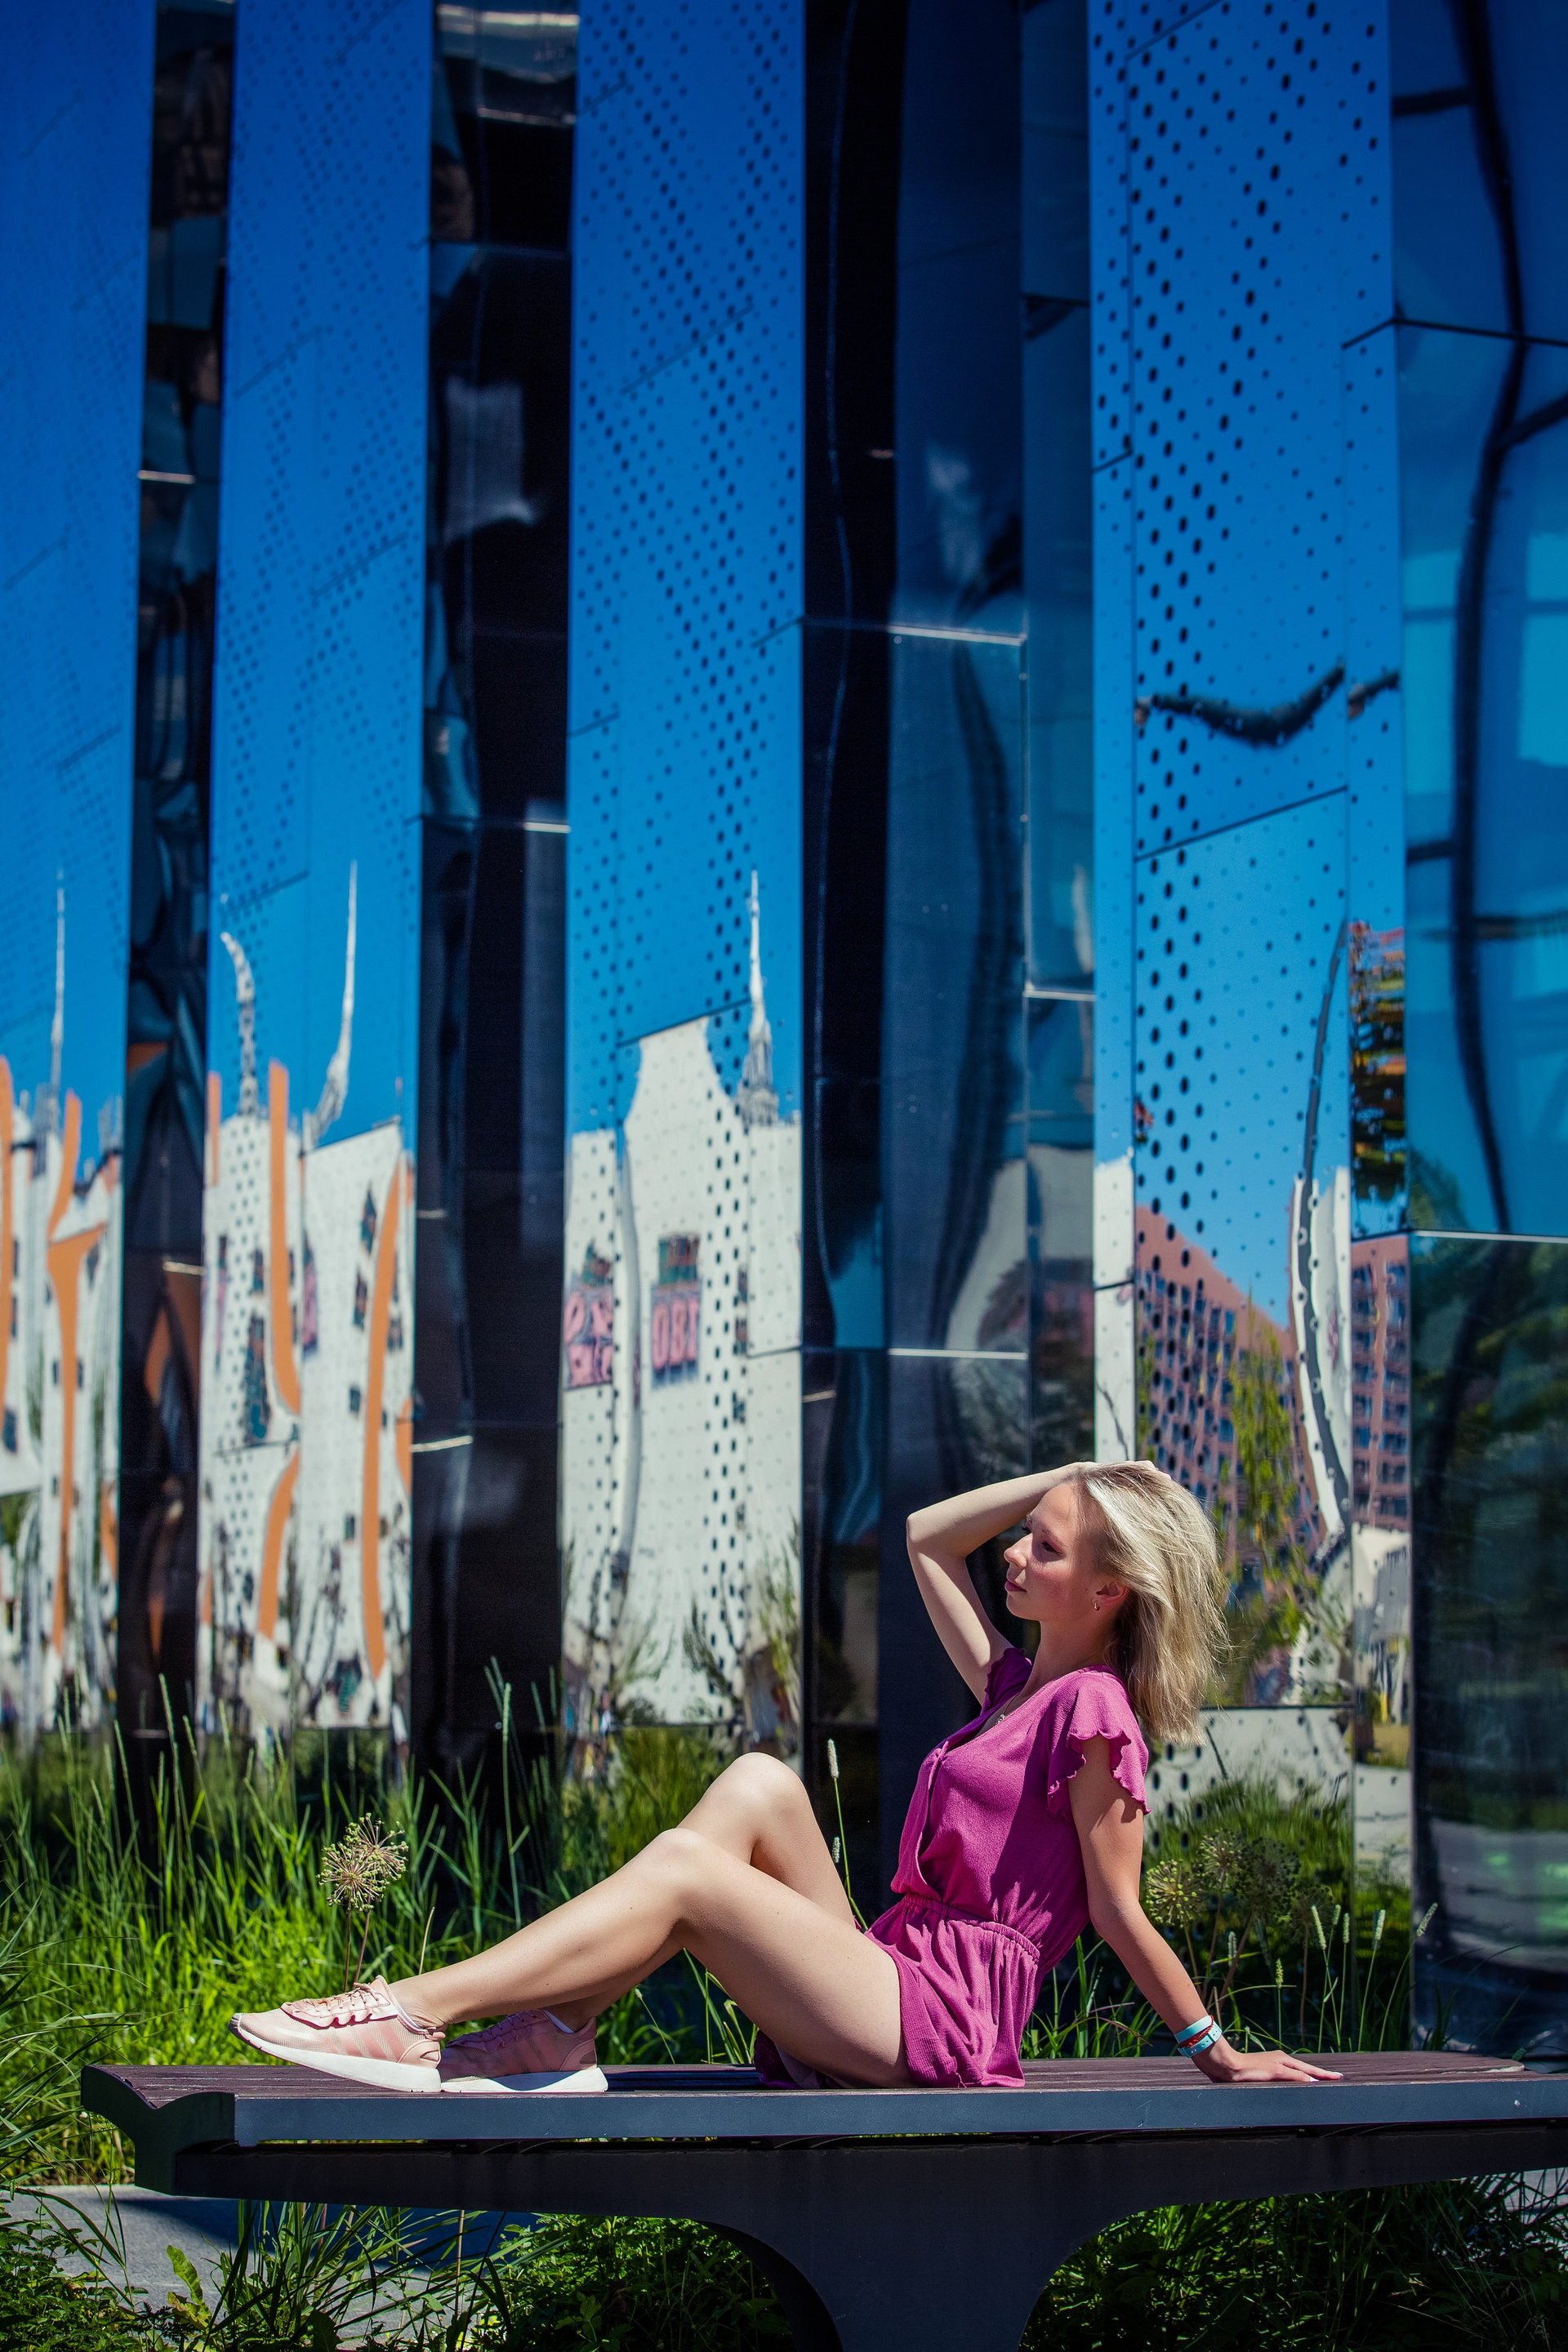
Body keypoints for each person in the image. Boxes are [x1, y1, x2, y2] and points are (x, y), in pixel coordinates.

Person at [232, 1461, 1340, 2093]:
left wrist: (1219, 2056)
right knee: (762, 1784)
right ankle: (558, 2031)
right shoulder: (1014, 1687)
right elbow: (925, 1539)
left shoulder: (1093, 1712)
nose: (1015, 1551)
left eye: (1046, 1549)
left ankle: (414, 2012)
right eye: (1028, 1536)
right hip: (896, 1974)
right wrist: (1070, 1482)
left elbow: (1116, 1910)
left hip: (948, 2022)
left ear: (1108, 1594)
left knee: (688, 1874)